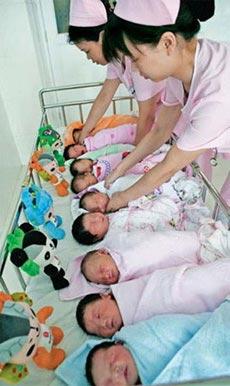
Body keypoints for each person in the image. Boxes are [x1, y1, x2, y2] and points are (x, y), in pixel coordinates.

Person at [101, 0, 230, 214]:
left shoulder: (217, 94)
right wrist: (122, 168)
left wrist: (123, 197)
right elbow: (161, 130)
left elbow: (168, 167)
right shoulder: (179, 72)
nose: (132, 69)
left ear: (167, 43)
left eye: (134, 58)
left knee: (224, 215)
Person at [56, 300, 230, 386]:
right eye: (109, 383)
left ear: (118, 343)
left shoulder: (142, 336)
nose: (115, 370)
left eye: (112, 359)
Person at [68, 0, 166, 145]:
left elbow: (147, 116)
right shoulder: (116, 60)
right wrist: (85, 132)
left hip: (171, 126)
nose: (89, 58)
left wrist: (135, 154)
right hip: (157, 127)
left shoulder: (138, 61)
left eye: (87, 51)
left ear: (102, 37)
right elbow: (105, 96)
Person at [76, 256, 230, 338]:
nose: (103, 324)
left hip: (183, 285)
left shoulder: (126, 289)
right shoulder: (130, 336)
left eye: (98, 315)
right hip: (210, 312)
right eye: (98, 331)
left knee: (209, 282)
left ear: (105, 296)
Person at [63, 122, 137, 160]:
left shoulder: (93, 139)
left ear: (77, 144)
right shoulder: (94, 155)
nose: (79, 152)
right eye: (77, 155)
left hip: (131, 131)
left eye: (75, 149)